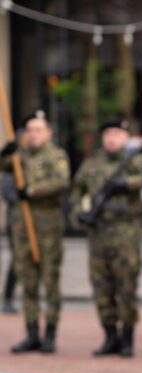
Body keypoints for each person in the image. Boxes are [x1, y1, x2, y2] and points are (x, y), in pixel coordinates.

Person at [70, 119, 142, 358]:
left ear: (125, 137)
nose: (112, 138)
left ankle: (127, 338)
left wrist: (127, 182)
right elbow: (76, 190)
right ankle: (109, 336)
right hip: (98, 233)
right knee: (101, 287)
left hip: (125, 233)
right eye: (108, 134)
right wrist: (78, 213)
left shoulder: (135, 161)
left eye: (117, 134)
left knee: (126, 287)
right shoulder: (93, 162)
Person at [1, 111, 69, 354]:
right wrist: (5, 152)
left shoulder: (55, 155)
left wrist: (30, 190)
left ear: (48, 132)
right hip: (23, 226)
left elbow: (61, 181)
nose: (33, 134)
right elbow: (4, 166)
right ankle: (31, 333)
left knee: (50, 282)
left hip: (47, 227)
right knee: (27, 282)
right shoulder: (20, 156)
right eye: (30, 130)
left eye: (38, 130)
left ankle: (50, 333)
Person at [1, 169, 18, 313]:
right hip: (15, 223)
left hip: (36, 223)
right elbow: (7, 192)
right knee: (17, 259)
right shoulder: (11, 168)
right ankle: (8, 297)